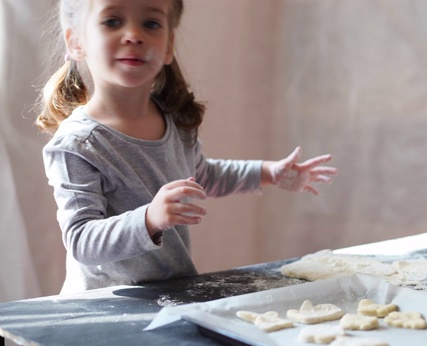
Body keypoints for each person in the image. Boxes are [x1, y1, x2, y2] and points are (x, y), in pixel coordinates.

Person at [35, 0, 337, 294]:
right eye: (112, 21)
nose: (133, 35)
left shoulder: (175, 121)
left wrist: (268, 172)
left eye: (151, 23)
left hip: (170, 293)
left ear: (168, 46)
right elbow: (82, 241)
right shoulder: (77, 145)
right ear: (76, 42)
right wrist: (150, 218)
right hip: (103, 307)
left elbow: (200, 176)